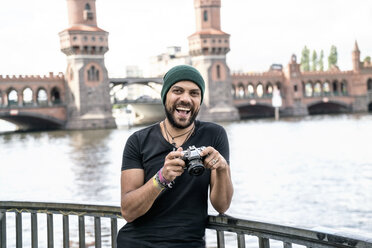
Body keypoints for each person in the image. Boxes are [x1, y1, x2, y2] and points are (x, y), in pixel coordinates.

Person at [117, 65, 233, 248]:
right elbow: (128, 211)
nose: (185, 99)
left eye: (194, 93)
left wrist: (222, 168)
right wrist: (161, 178)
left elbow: (222, 206)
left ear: (200, 100)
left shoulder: (214, 135)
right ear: (165, 96)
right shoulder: (138, 141)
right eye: (177, 91)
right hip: (137, 243)